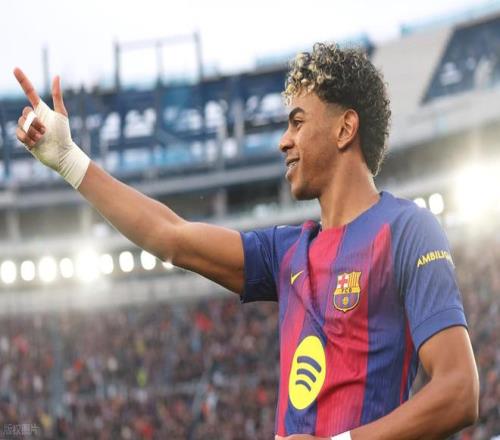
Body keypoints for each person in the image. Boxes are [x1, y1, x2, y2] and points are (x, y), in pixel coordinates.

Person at [13, 43, 479, 440]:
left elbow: (459, 391)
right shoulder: (285, 253)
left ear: (344, 128)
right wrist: (70, 160)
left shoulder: (407, 229)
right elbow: (171, 236)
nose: (283, 141)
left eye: (297, 122)